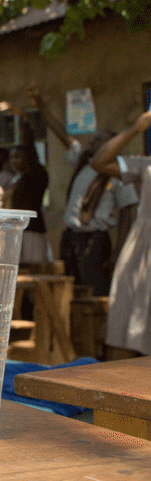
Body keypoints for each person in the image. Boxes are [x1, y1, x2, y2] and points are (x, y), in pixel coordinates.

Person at [28, 80, 122, 293]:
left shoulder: (118, 172)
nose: (91, 143)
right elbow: (63, 135)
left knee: (94, 290)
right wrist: (40, 105)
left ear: (112, 146)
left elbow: (127, 210)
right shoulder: (84, 161)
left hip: (95, 239)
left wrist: (118, 249)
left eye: (98, 140)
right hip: (72, 237)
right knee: (70, 290)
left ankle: (97, 327)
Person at [91, 110, 151, 359]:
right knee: (125, 324)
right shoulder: (146, 165)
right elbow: (100, 162)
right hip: (141, 252)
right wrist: (135, 129)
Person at [0, 101, 52, 262]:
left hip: (31, 233)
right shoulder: (16, 179)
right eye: (12, 157)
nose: (14, 161)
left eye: (18, 156)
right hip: (15, 233)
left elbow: (30, 149)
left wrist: (24, 119)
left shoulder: (36, 175)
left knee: (33, 272)